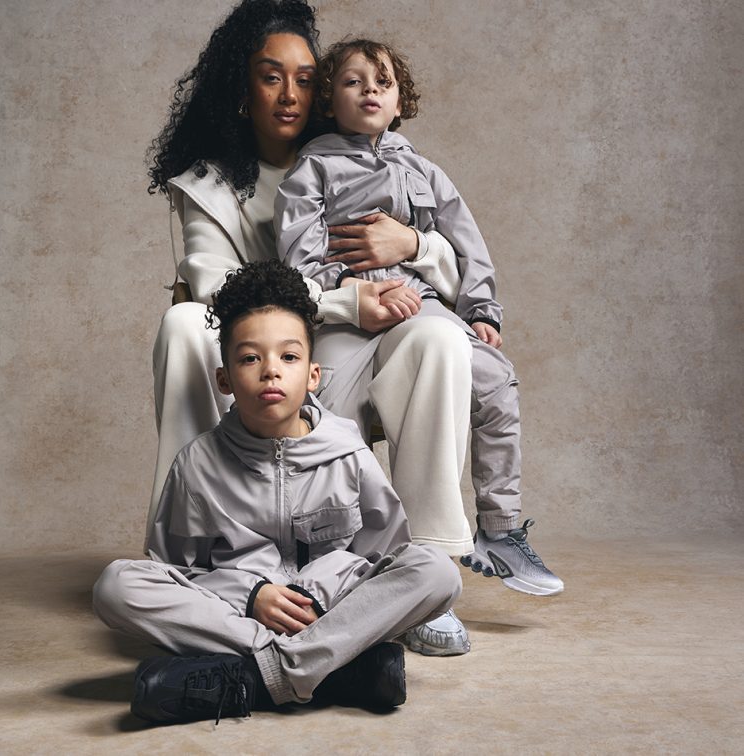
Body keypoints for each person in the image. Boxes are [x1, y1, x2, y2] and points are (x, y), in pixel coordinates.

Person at [146, 0, 476, 654]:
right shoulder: (207, 185)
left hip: (350, 356)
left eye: (304, 78)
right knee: (184, 322)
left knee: (439, 337)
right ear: (241, 89)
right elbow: (213, 287)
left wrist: (411, 242)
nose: (290, 94)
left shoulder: (363, 150)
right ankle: (189, 563)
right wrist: (344, 304)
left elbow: (455, 260)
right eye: (271, 77)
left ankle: (423, 568)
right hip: (263, 362)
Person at [93, 261, 462, 724]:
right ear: (224, 380)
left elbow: (382, 557)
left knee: (437, 571)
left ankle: (257, 676)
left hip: (328, 611)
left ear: (313, 375)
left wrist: (317, 594)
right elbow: (177, 573)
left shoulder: (349, 454)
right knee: (116, 585)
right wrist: (253, 594)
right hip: (242, 617)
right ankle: (324, 670)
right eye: (250, 359)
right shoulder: (196, 464)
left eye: (289, 358)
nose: (271, 371)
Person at [276, 39, 563, 595]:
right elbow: (297, 258)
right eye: (353, 81)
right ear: (329, 100)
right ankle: (344, 555)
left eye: (383, 82)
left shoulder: (425, 171)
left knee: (496, 379)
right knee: (328, 411)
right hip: (350, 316)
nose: (370, 90)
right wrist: (350, 287)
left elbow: (468, 246)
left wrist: (481, 310)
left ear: (400, 100)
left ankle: (499, 528)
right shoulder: (312, 169)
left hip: (422, 307)